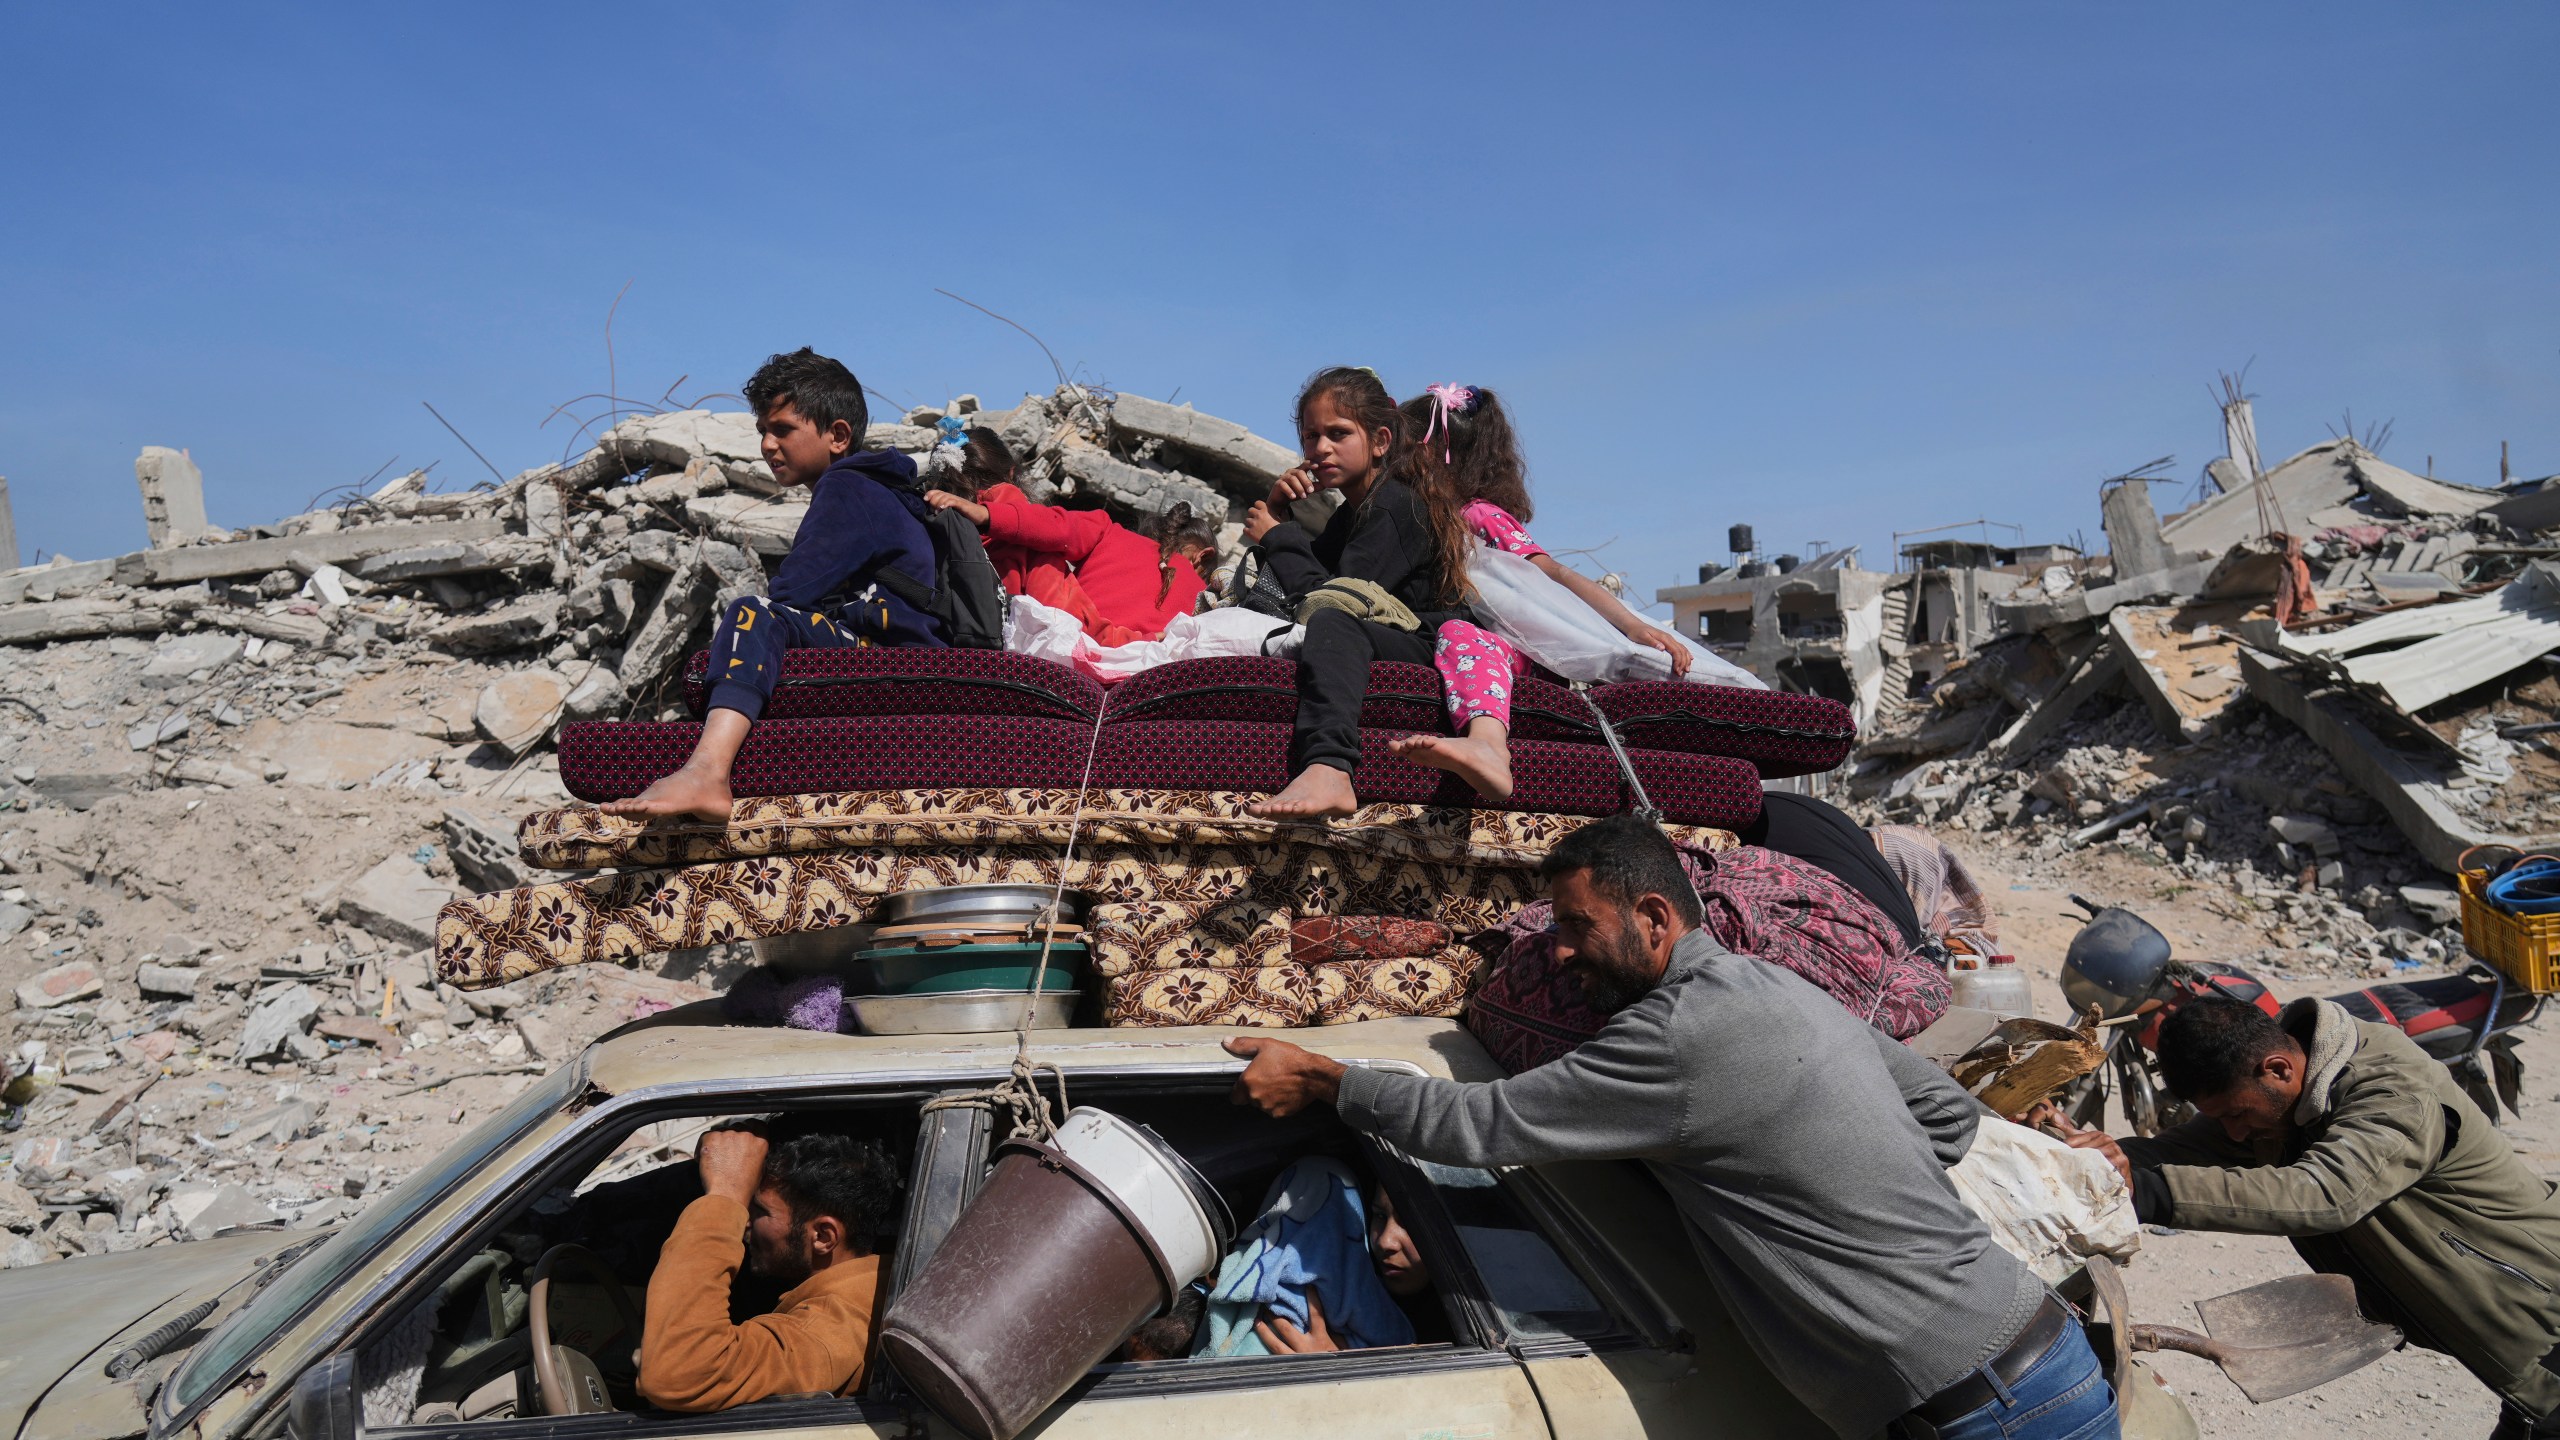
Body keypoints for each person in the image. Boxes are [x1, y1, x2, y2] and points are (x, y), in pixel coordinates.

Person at [1226, 814, 2118, 1440]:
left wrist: (1321, 1075)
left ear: (1654, 918)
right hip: (2042, 1355)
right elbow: (1947, 1116)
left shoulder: (1674, 1038)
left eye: (1578, 926)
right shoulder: (1777, 986)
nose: (1560, 950)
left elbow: (1476, 1125)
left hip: (1980, 1408)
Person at [2056, 998, 2560, 1437]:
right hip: (2512, 1339)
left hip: (2545, 1312)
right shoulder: (2285, 1090)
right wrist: (2069, 1154)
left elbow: (2327, 1193)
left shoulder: (2393, 1092)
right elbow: (2179, 1151)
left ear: (2277, 1069)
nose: (2233, 1134)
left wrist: (2141, 1187)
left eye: (2236, 1114)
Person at [606, 349, 944, 823]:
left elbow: (791, 596)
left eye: (782, 429)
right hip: (899, 647)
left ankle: (708, 770)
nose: (767, 444)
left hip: (887, 651)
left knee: (752, 613)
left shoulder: (847, 489)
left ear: (838, 435)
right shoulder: (880, 487)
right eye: (763, 431)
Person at [1383, 384, 1694, 801]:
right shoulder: (1421, 520)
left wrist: (1632, 627)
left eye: (1403, 448)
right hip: (1492, 646)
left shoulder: (1477, 517)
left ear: (1432, 456)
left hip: (1520, 652)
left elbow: (1555, 574)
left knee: (1460, 632)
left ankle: (1488, 744)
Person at [1246, 367, 1473, 820]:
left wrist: (1278, 535)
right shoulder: (1351, 513)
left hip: (1430, 641)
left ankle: (1330, 765)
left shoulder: (1395, 507)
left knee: (1332, 624)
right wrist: (1277, 509)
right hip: (1383, 630)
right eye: (1310, 437)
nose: (1320, 448)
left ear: (1381, 441)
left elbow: (1329, 600)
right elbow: (1308, 583)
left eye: (1338, 433)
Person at [637, 1125, 900, 1412]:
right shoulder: (878, 1283)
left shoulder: (827, 1332)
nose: (746, 1221)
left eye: (760, 1211)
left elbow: (676, 1373)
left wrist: (726, 1196)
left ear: (824, 1236)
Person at [923, 430, 1215, 644]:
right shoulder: (1203, 593)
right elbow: (1068, 619)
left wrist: (987, 516)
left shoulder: (931, 519)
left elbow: (1053, 528)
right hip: (1112, 657)